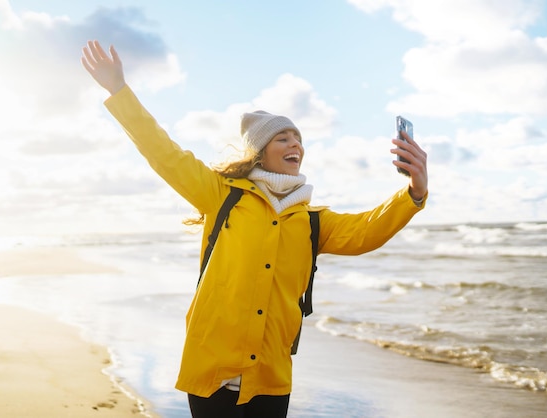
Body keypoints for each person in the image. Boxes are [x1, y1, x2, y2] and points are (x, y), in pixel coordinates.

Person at [81, 39, 428, 418]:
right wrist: (119, 91)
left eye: (298, 139)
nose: (295, 144)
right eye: (283, 138)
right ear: (261, 151)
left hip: (270, 377)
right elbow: (163, 152)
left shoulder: (311, 221)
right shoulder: (221, 196)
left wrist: (413, 192)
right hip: (212, 371)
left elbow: (365, 232)